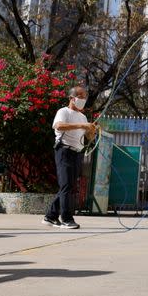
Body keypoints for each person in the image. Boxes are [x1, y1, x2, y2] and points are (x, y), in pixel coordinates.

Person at [42, 86, 97, 229]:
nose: (83, 100)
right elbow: (58, 126)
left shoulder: (83, 117)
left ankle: (50, 216)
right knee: (66, 185)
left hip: (77, 153)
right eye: (80, 96)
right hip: (64, 151)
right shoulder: (63, 111)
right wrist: (81, 125)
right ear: (72, 98)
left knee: (69, 186)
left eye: (85, 97)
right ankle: (66, 218)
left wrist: (92, 131)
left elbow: (88, 137)